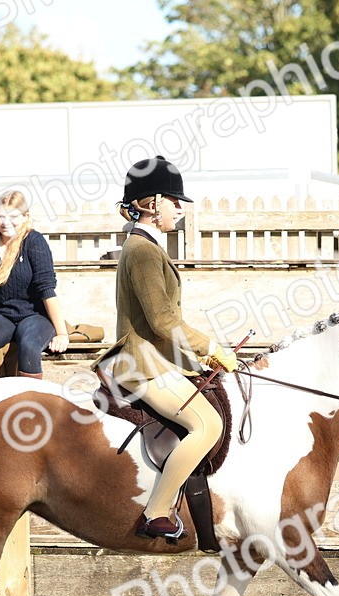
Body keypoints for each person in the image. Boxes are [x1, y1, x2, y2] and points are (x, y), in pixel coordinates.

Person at [95, 156, 238, 540]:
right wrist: (210, 348)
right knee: (209, 424)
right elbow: (161, 321)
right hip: (140, 363)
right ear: (153, 202)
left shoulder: (149, 247)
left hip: (158, 358)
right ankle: (156, 512)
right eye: (175, 202)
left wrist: (200, 358)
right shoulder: (141, 251)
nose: (180, 209)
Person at [0, 191, 69, 387]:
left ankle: (30, 407)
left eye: (13, 216)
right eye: (0, 216)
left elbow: (47, 290)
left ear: (25, 217)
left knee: (29, 345)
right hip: (2, 316)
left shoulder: (34, 242)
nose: (6, 222)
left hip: (35, 316)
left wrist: (62, 334)